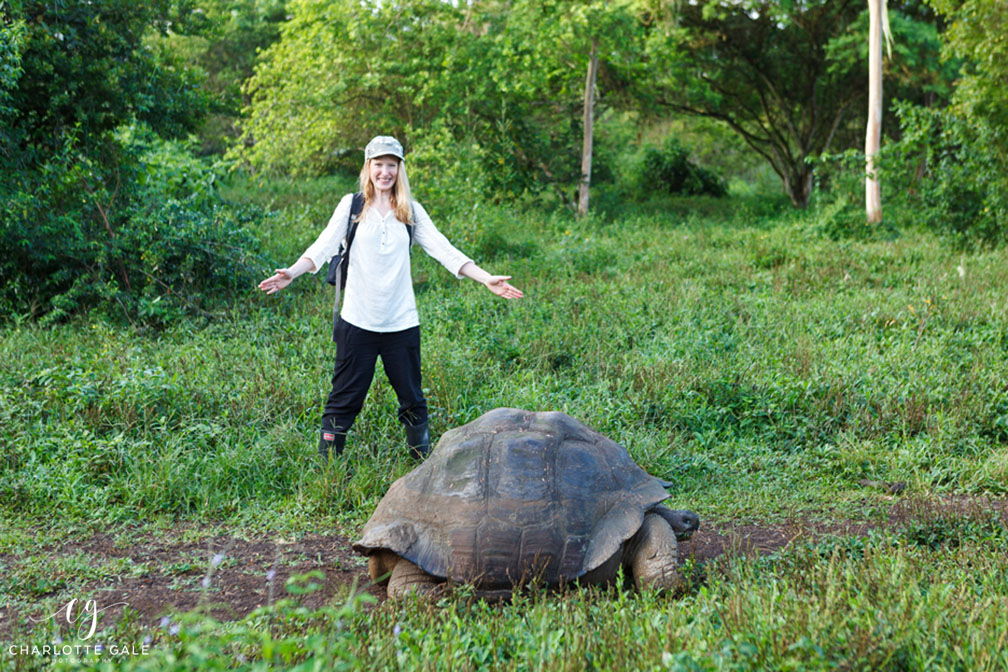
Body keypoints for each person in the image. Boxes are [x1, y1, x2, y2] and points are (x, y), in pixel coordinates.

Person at [258, 136, 523, 461]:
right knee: (344, 399)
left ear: (400, 169)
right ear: (368, 168)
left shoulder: (410, 211)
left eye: (391, 166)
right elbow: (322, 246)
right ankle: (327, 471)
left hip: (401, 324)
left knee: (412, 398)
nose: (385, 172)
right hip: (357, 321)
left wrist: (486, 279)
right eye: (379, 165)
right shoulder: (352, 206)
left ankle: (421, 464)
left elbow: (445, 251)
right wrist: (292, 273)